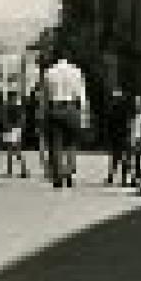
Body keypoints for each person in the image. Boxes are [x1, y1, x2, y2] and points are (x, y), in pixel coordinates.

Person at [38, 51, 88, 188]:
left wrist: (42, 114)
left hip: (55, 108)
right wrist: (83, 115)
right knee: (72, 143)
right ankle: (70, 173)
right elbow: (81, 96)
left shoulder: (49, 72)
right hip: (72, 108)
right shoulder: (76, 71)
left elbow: (43, 97)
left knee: (55, 144)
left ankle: (58, 176)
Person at [103, 88, 135, 185]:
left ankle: (112, 177)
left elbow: (109, 126)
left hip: (118, 137)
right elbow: (129, 123)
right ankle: (123, 179)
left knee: (116, 158)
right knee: (124, 158)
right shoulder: (127, 110)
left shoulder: (113, 109)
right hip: (124, 136)